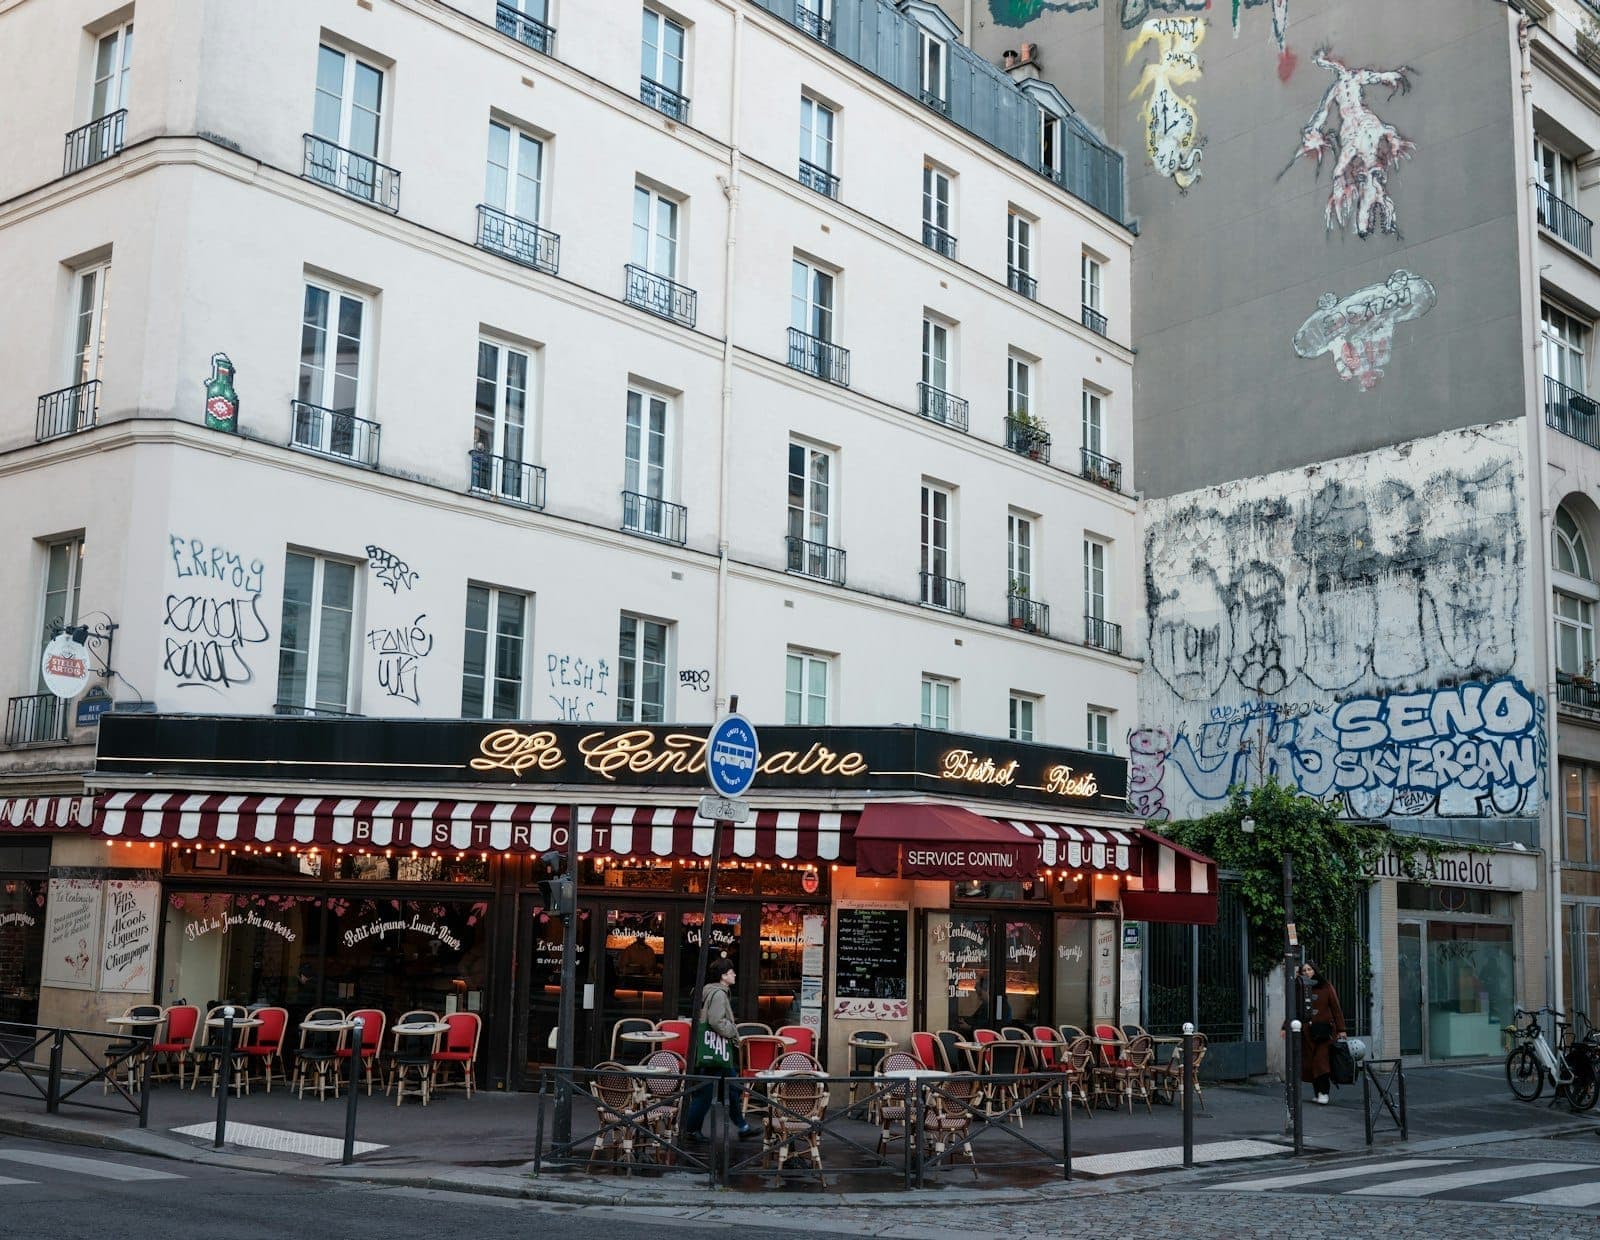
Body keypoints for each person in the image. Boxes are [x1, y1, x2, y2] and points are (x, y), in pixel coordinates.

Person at [683, 957, 755, 1142]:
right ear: (723, 976)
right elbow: (715, 1021)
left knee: (730, 1089)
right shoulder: (719, 994)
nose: (735, 974)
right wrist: (732, 1031)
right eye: (731, 972)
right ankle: (690, 1130)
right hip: (716, 1052)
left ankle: (742, 1127)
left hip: (716, 1052)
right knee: (706, 1094)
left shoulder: (713, 991)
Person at [1298, 960, 1346, 1105]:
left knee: (1321, 1063)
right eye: (1304, 970)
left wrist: (1341, 1029)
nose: (1307, 972)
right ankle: (1318, 1093)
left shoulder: (1326, 986)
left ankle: (1324, 1092)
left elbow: (1336, 1008)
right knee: (1311, 1064)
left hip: (1324, 1032)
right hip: (1308, 1032)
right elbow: (1293, 1008)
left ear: (1315, 971)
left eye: (1309, 970)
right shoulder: (1300, 988)